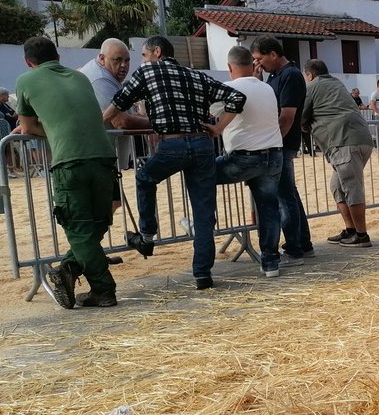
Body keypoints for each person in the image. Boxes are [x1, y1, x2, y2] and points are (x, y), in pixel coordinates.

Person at [105, 35, 245, 290]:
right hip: (203, 144)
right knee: (204, 212)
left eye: (144, 55)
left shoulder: (148, 72)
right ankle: (202, 274)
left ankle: (147, 235)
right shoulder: (196, 75)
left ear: (156, 52)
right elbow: (236, 98)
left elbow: (118, 105)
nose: (143, 61)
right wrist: (218, 128)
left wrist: (95, 125)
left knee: (145, 177)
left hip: (172, 144)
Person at [12, 36, 118, 308]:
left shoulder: (26, 80)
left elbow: (27, 127)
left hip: (70, 161)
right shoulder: (81, 78)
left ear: (28, 61)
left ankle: (104, 290)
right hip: (105, 157)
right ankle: (67, 269)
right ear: (57, 56)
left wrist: (56, 132)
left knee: (79, 228)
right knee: (97, 223)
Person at [200, 46, 284, 278]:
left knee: (200, 175)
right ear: (252, 63)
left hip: (243, 157)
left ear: (229, 67)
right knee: (269, 208)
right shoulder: (267, 88)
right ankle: (270, 262)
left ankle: (201, 223)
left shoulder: (229, 88)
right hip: (273, 154)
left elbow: (213, 112)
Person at [251, 37, 313, 265]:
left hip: (282, 145)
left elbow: (286, 117)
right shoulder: (277, 76)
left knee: (285, 197)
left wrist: (273, 143)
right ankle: (302, 244)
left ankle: (295, 249)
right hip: (280, 143)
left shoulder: (291, 75)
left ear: (273, 55)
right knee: (289, 195)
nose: (257, 64)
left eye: (259, 59)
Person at [301, 59, 375, 248]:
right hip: (361, 139)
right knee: (337, 186)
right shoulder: (337, 83)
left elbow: (301, 116)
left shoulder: (312, 87)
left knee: (352, 188)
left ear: (309, 74)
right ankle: (351, 229)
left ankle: (361, 234)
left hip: (343, 142)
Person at [80, 39, 144, 172]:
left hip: (102, 158)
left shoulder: (104, 74)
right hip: (99, 158)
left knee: (115, 191)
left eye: (127, 60)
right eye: (117, 60)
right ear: (102, 59)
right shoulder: (100, 79)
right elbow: (121, 121)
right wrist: (159, 123)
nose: (123, 65)